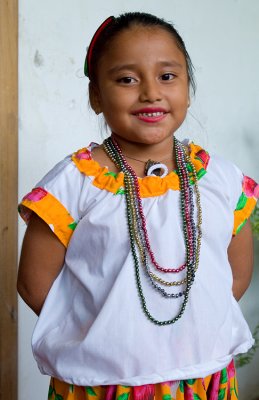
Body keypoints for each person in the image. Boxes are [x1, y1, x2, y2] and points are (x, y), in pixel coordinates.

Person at [17, 11, 258, 400]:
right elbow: (33, 284)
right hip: (104, 382)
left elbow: (234, 277)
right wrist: (107, 333)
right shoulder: (74, 184)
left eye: (167, 76)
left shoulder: (220, 180)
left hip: (202, 374)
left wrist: (182, 334)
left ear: (188, 88)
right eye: (127, 79)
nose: (150, 92)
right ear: (96, 95)